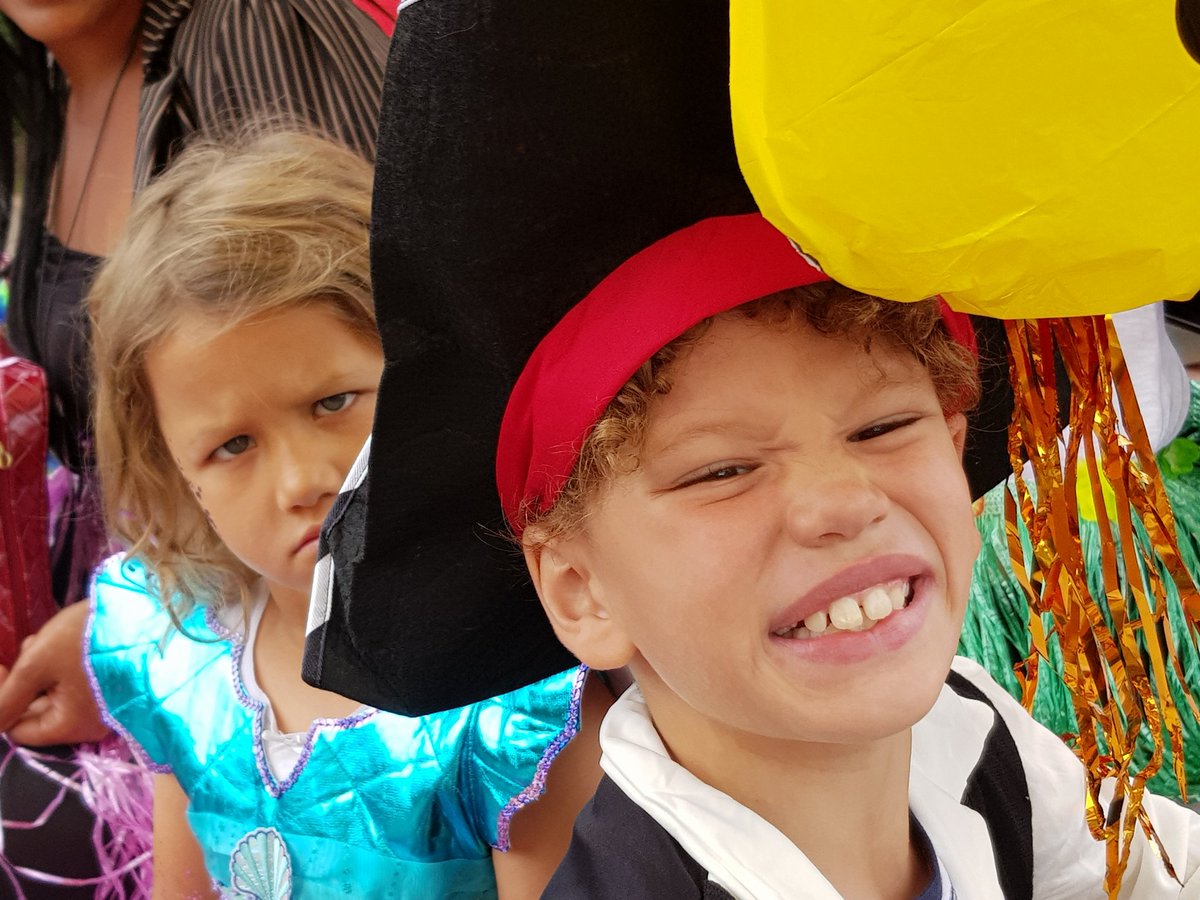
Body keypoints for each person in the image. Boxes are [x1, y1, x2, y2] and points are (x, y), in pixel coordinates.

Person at [299, 2, 1199, 894]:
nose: (842, 501)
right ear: (580, 588)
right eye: (721, 471)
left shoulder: (969, 732)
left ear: (955, 445)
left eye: (883, 427)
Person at [78, 129, 603, 897]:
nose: (303, 480)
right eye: (232, 446)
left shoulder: (513, 702)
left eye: (333, 402)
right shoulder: (173, 651)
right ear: (176, 472)